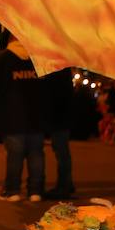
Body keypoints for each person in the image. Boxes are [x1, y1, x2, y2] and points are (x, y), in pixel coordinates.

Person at [0, 29, 47, 202]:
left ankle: (13, 191)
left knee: (15, 155)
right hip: (36, 115)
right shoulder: (39, 59)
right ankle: (36, 191)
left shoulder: (1, 59)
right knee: (36, 153)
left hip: (11, 115)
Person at [41, 67, 76, 198]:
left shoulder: (56, 72)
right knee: (62, 152)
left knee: (62, 152)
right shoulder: (63, 71)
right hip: (62, 117)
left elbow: (54, 96)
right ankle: (66, 183)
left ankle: (64, 186)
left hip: (59, 118)